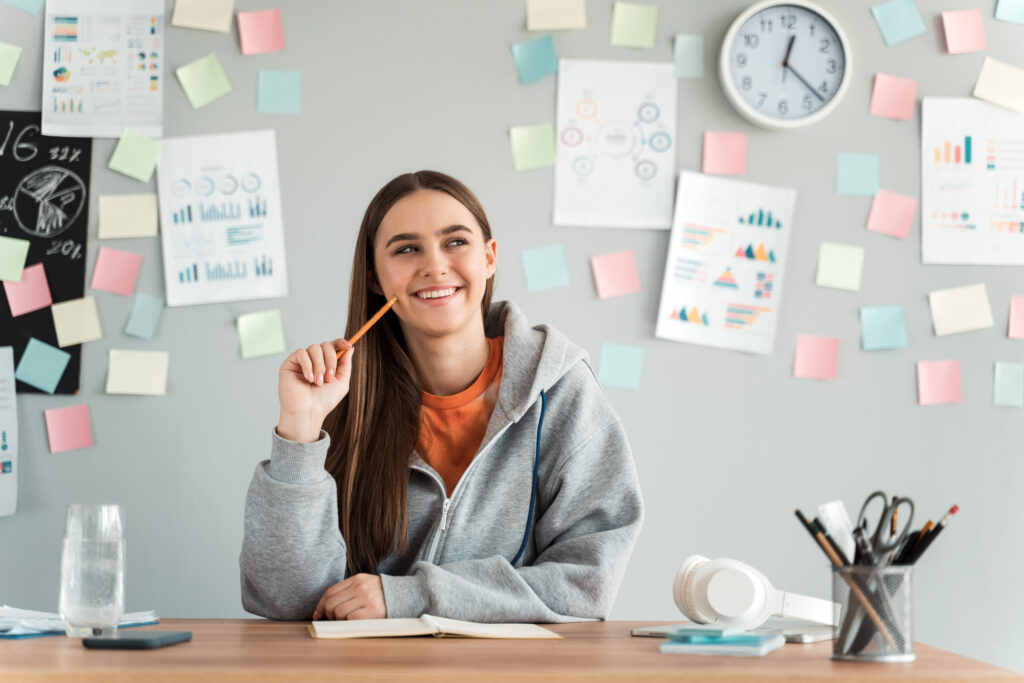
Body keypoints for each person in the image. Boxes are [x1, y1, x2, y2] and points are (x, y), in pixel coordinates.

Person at [240, 170, 644, 623]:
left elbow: (587, 584)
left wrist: (414, 596)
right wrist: (300, 427)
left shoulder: (562, 390)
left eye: (455, 242)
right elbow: (287, 600)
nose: (434, 266)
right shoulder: (342, 396)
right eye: (407, 249)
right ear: (375, 277)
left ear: (490, 258)